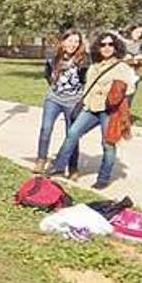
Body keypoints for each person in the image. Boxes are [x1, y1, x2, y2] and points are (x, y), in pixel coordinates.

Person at [46, 32, 136, 190]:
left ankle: (103, 178)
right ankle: (59, 167)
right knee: (72, 133)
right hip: (91, 107)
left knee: (107, 144)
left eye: (110, 44)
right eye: (103, 45)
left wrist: (115, 94)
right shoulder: (94, 65)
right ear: (98, 47)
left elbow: (130, 88)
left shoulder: (122, 67)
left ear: (116, 47)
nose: (106, 48)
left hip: (109, 110)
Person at [33, 29, 88, 177]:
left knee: (72, 134)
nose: (73, 44)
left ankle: (73, 167)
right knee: (46, 128)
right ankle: (41, 159)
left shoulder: (83, 59)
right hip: (54, 99)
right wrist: (54, 87)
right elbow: (47, 74)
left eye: (76, 41)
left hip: (74, 102)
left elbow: (85, 79)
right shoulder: (53, 56)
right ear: (63, 41)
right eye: (70, 41)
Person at [121, 23, 142, 106]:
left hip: (134, 76)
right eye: (137, 32)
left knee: (128, 100)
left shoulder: (141, 46)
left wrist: (138, 61)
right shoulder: (123, 44)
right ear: (131, 31)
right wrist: (132, 60)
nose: (138, 35)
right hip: (121, 75)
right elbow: (120, 59)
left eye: (140, 33)